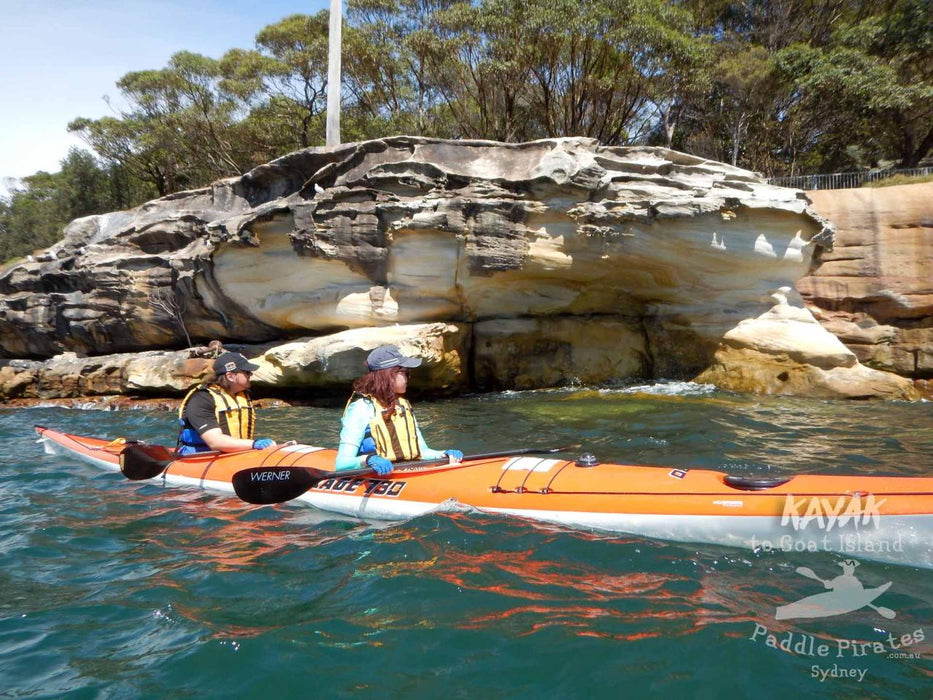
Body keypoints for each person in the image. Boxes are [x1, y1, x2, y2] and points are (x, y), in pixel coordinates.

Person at [335, 345, 463, 475]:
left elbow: (422, 451)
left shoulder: (403, 405)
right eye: (405, 372)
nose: (408, 378)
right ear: (389, 375)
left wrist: (443, 454)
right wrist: (367, 460)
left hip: (407, 472)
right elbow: (342, 464)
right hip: (377, 475)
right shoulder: (361, 408)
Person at [176, 351, 277, 455]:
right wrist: (254, 444)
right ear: (230, 376)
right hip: (201, 459)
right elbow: (215, 442)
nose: (250, 375)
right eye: (246, 372)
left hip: (234, 456)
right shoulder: (201, 400)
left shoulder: (241, 396)